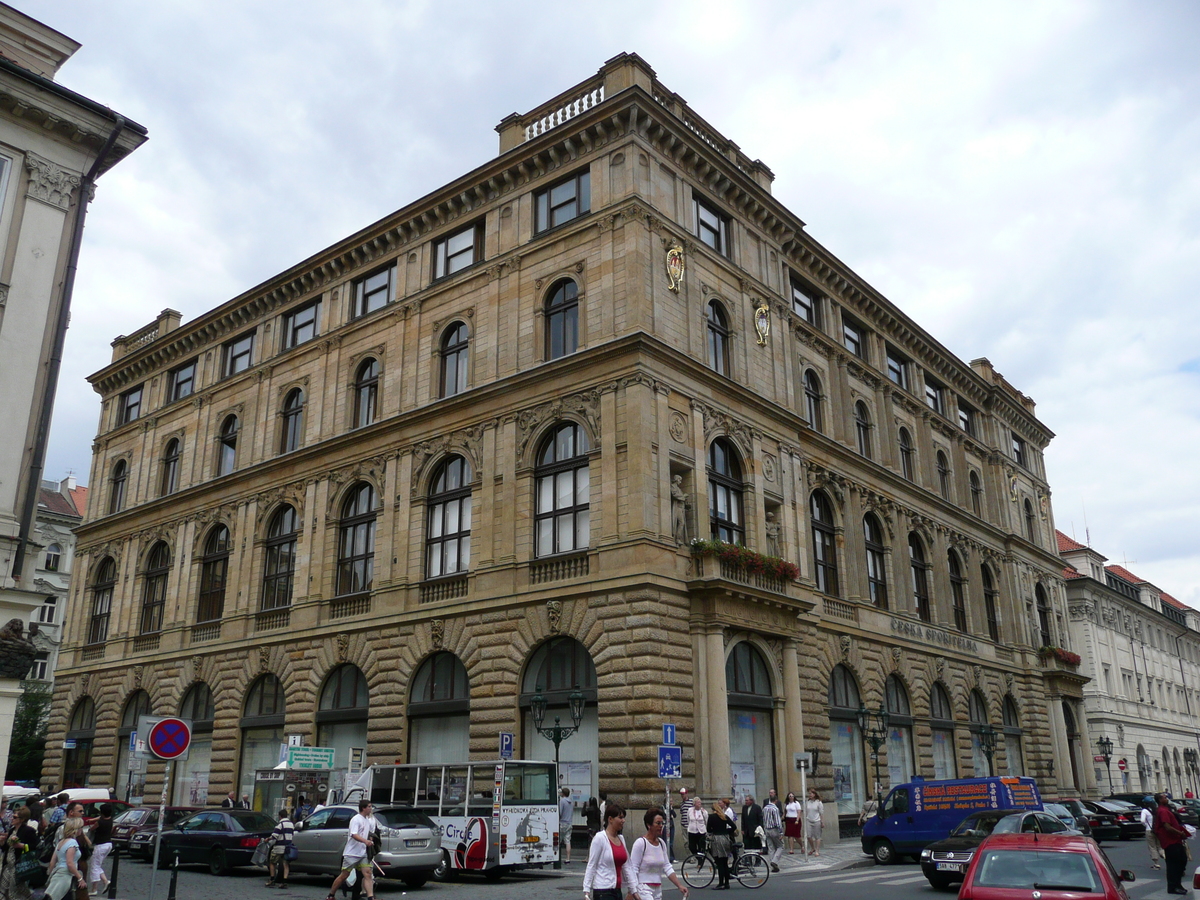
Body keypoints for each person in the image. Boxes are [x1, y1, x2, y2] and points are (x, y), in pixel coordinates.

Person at [628, 807, 689, 900]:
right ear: (649, 825)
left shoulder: (661, 843)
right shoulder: (640, 843)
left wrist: (679, 885)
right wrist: (632, 891)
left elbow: (667, 866)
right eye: (658, 823)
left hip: (657, 889)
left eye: (662, 823)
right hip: (643, 888)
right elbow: (633, 869)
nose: (661, 826)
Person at [325, 799, 376, 900]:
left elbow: (367, 833)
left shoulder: (367, 820)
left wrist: (370, 839)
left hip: (363, 853)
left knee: (368, 874)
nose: (371, 809)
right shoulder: (356, 819)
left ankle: (371, 897)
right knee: (344, 875)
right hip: (352, 853)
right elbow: (354, 834)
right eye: (369, 807)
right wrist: (365, 841)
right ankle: (331, 894)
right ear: (363, 808)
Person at [582, 801, 633, 900]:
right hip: (603, 890)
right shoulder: (600, 838)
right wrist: (586, 890)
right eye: (620, 817)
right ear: (610, 819)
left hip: (617, 890)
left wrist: (633, 889)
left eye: (624, 817)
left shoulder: (621, 839)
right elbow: (592, 864)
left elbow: (627, 866)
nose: (623, 820)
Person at [1153, 793, 1188, 894]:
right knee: (1174, 865)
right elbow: (1167, 827)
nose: (1166, 798)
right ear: (1160, 800)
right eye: (1164, 797)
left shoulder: (1165, 809)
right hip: (1170, 841)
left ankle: (1177, 884)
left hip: (1175, 840)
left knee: (1182, 860)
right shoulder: (1163, 811)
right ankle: (1173, 887)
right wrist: (1180, 833)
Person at [0, 806, 38, 900]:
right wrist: (2, 843)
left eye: (15, 817)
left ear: (22, 819)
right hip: (8, 864)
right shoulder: (12, 830)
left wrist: (21, 846)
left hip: (18, 865)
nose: (12, 819)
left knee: (15, 890)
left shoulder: (28, 830)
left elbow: (35, 847)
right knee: (3, 888)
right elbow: (6, 848)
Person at [43, 817, 85, 900]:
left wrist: (50, 875)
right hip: (66, 875)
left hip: (57, 873)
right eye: (81, 827)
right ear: (75, 829)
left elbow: (52, 862)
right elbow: (70, 863)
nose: (82, 829)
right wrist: (80, 878)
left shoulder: (61, 842)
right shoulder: (73, 843)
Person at [705, 800, 736, 891]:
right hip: (725, 838)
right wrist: (726, 832)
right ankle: (727, 883)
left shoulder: (711, 817)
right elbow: (734, 827)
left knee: (719, 863)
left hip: (717, 840)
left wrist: (714, 830)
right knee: (725, 862)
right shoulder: (724, 816)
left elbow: (708, 829)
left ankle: (721, 883)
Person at [88, 803, 115, 895]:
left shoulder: (100, 822)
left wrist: (90, 825)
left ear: (101, 813)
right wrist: (92, 819)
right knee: (97, 865)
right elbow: (100, 818)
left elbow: (92, 829)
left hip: (100, 845)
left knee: (94, 866)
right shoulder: (110, 819)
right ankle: (105, 882)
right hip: (108, 844)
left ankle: (95, 889)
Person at [267, 808, 295, 888]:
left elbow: (274, 836)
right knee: (286, 864)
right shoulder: (291, 824)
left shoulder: (279, 825)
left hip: (279, 847)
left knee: (272, 862)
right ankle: (284, 881)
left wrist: (267, 839)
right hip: (288, 847)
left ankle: (272, 879)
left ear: (280, 816)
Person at [762, 795, 783, 873]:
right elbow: (778, 821)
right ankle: (774, 861)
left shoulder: (765, 808)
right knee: (780, 846)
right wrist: (781, 832)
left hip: (767, 829)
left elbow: (763, 819)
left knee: (771, 848)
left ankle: (773, 866)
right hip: (774, 829)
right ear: (776, 800)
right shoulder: (775, 809)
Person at [804, 789, 824, 857]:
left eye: (811, 793)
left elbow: (821, 813)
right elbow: (806, 811)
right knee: (809, 836)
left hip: (817, 820)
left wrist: (822, 822)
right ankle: (812, 848)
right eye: (809, 793)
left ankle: (817, 850)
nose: (810, 795)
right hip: (809, 820)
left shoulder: (819, 802)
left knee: (817, 836)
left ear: (814, 794)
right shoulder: (808, 802)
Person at [1141, 803, 1161, 868]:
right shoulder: (1157, 810)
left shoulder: (1145, 811)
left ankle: (1156, 863)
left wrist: (1146, 826)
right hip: (1158, 830)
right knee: (1160, 846)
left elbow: (1142, 820)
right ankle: (1164, 856)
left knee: (1152, 847)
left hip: (1149, 830)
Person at [558, 788, 575, 864]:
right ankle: (568, 858)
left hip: (562, 823)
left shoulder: (562, 801)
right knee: (567, 841)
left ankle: (556, 858)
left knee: (558, 841)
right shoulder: (571, 802)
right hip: (569, 823)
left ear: (563, 794)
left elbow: (560, 812)